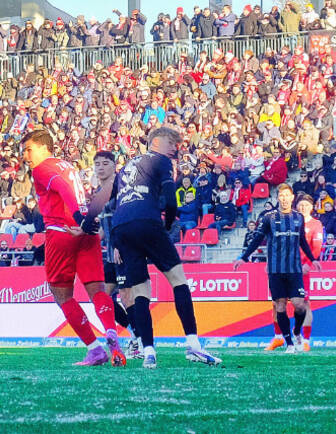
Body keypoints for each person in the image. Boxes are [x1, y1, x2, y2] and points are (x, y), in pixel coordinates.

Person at [101, 127, 219, 369]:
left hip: (122, 228)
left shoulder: (127, 166)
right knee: (178, 280)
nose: (174, 147)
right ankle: (194, 346)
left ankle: (148, 352)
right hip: (147, 223)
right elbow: (171, 199)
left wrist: (109, 236)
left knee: (140, 292)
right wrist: (166, 225)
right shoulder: (161, 160)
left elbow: (111, 202)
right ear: (155, 142)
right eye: (171, 142)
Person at [21, 129, 124, 367]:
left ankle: (95, 349)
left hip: (63, 232)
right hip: (87, 233)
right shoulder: (67, 165)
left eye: (29, 150)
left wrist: (78, 217)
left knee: (62, 295)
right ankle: (111, 331)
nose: (25, 156)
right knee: (97, 290)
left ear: (44, 147)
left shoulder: (42, 169)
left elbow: (62, 188)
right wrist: (85, 220)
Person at [234, 184, 321, 354]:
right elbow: (258, 238)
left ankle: (297, 331)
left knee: (299, 305)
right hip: (275, 270)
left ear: (292, 197)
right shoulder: (269, 218)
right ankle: (289, 343)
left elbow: (302, 240)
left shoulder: (298, 217)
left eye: (287, 195)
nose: (284, 198)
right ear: (278, 198)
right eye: (281, 195)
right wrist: (244, 257)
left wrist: (313, 259)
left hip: (294, 269)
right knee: (279, 305)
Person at [87, 150, 141, 361]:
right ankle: (134, 334)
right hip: (110, 254)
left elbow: (126, 219)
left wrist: (119, 244)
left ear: (114, 166)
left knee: (127, 296)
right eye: (97, 164)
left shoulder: (120, 189)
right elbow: (103, 227)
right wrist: (88, 241)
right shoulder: (99, 193)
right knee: (105, 297)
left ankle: (139, 341)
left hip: (124, 249)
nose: (100, 167)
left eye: (105, 163)